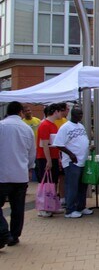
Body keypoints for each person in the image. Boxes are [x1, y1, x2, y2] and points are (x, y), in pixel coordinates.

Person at [0, 102, 36, 248]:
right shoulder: (27, 129)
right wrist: (28, 167)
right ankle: (14, 235)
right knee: (18, 207)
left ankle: (3, 233)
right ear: (21, 112)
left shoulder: (1, 126)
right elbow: (31, 153)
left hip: (2, 174)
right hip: (20, 174)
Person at [53, 107, 92, 219]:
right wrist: (70, 154)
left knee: (82, 186)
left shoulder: (81, 126)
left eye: (81, 114)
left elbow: (80, 141)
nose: (80, 116)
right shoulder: (65, 127)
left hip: (82, 161)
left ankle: (81, 206)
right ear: (72, 114)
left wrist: (88, 147)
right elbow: (58, 144)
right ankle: (70, 210)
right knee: (72, 186)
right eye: (78, 114)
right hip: (72, 162)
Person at [35, 103, 63, 218]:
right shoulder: (44, 125)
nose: (61, 113)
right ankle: (43, 207)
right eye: (60, 111)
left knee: (53, 182)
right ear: (55, 111)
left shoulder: (53, 125)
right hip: (44, 158)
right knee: (46, 182)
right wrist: (48, 160)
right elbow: (44, 144)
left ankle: (51, 205)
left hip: (54, 157)